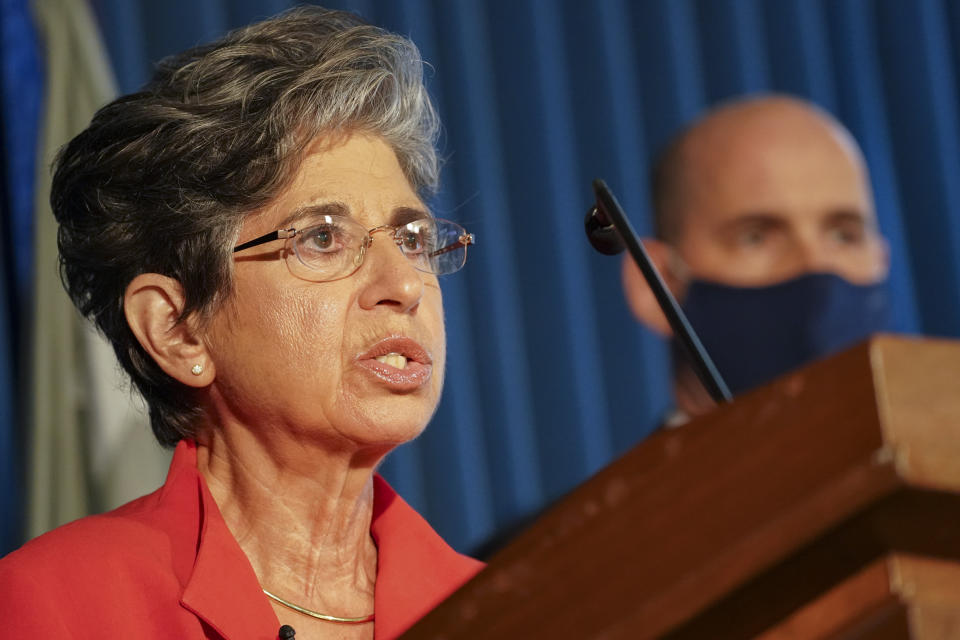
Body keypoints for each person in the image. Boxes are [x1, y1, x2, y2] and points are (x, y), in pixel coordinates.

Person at [0, 7, 482, 639]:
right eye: (323, 237)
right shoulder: (54, 604)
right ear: (177, 330)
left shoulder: (521, 605)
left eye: (414, 238)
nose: (403, 287)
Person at [622, 95, 891, 418]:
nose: (816, 266)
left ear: (882, 259)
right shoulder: (639, 473)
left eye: (844, 236)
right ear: (656, 283)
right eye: (756, 237)